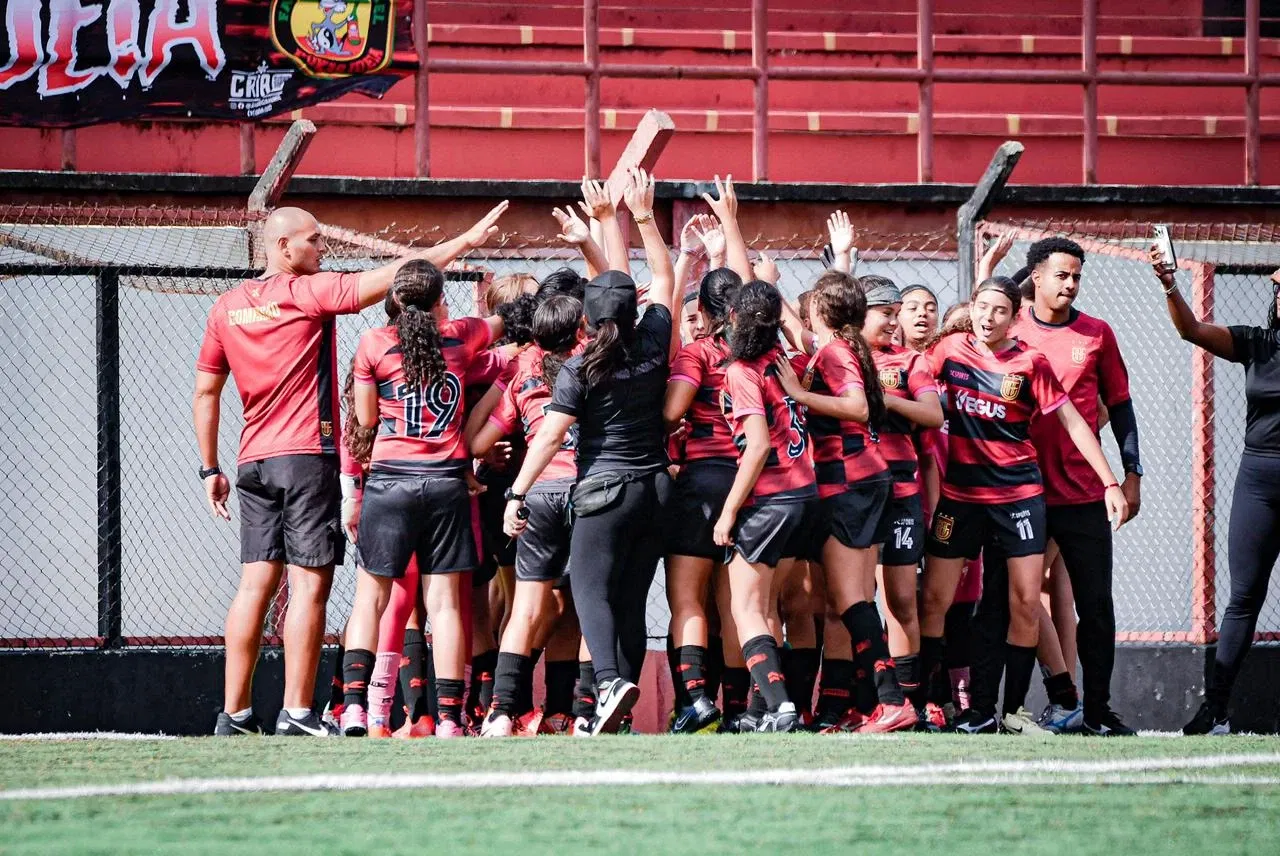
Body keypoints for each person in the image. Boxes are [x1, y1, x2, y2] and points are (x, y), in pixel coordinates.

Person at [195, 202, 507, 737]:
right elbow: (409, 276)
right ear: (282, 246)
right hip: (305, 456)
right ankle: (297, 713)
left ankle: (236, 715)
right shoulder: (307, 293)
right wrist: (468, 239)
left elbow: (206, 388)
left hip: (252, 461)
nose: (322, 248)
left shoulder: (226, 307)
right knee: (309, 586)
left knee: (253, 587)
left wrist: (209, 467)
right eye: (313, 240)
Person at [502, 168, 677, 736]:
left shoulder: (580, 366)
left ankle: (606, 684)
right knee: (629, 599)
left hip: (604, 490)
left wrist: (518, 490)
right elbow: (662, 278)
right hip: (656, 489)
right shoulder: (653, 338)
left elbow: (550, 436)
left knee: (589, 590)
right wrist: (642, 218)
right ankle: (617, 702)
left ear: (586, 320)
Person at [917, 276, 1128, 735]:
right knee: (933, 597)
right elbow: (910, 380)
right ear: (971, 309)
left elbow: (1074, 422)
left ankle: (1005, 712)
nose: (987, 317)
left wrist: (1111, 480)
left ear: (1014, 318)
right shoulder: (948, 351)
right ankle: (926, 704)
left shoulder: (1031, 363)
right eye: (981, 307)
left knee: (1025, 602)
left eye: (998, 310)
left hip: (1019, 498)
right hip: (961, 498)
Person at [338, 260, 505, 739]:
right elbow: (503, 323)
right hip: (447, 482)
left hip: (390, 482)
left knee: (371, 598)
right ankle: (451, 718)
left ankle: (353, 710)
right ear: (439, 300)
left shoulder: (372, 343)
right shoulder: (462, 335)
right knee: (446, 602)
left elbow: (366, 421)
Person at [999, 236, 1143, 737]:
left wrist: (1130, 477)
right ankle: (1024, 705)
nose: (1071, 284)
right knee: (1017, 600)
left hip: (1083, 492)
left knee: (1096, 608)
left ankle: (1098, 714)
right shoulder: (1010, 332)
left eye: (1077, 276)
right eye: (1062, 275)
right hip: (1022, 491)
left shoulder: (1097, 333)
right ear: (1035, 277)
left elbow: (1120, 406)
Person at [775, 271, 918, 733]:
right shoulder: (840, 346)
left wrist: (798, 394)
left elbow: (856, 406)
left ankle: (892, 701)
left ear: (823, 309)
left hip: (850, 485)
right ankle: (867, 704)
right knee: (847, 602)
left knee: (848, 598)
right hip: (865, 481)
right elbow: (795, 324)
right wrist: (769, 281)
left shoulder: (836, 353)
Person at [1151, 249, 1280, 736]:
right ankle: (1216, 710)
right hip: (1260, 478)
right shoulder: (1258, 343)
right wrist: (1169, 285)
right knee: (1244, 596)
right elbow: (1191, 330)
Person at [471, 295, 586, 737]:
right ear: (579, 329)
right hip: (585, 493)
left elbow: (479, 442)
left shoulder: (523, 370)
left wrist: (503, 457)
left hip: (535, 493)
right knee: (577, 606)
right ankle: (564, 712)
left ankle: (500, 713)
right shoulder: (592, 361)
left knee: (526, 606)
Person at [711, 280, 815, 733]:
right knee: (769, 606)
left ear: (732, 318)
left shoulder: (742, 370)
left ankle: (781, 706)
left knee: (746, 608)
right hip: (805, 494)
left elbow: (755, 447)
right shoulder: (783, 358)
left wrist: (729, 512)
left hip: (770, 497)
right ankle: (758, 712)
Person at [859, 277, 945, 726]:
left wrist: (886, 401)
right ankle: (866, 701)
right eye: (886, 312)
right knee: (854, 601)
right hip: (854, 494)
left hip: (900, 495)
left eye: (898, 312)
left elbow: (933, 415)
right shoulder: (843, 358)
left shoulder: (910, 360)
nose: (895, 321)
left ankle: (911, 704)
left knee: (901, 602)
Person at [663, 267, 743, 732]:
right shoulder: (763, 354)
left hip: (703, 480)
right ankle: (738, 710)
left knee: (688, 601)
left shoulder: (699, 353)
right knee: (735, 604)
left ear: (708, 314)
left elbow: (673, 409)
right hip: (750, 480)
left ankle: (695, 702)